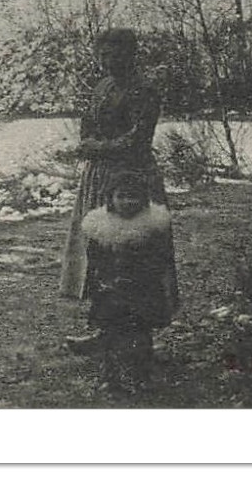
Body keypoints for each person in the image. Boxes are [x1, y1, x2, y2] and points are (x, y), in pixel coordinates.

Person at [59, 28, 178, 356]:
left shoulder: (145, 91)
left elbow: (138, 139)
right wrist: (91, 144)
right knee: (101, 252)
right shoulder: (101, 88)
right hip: (99, 179)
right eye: (104, 55)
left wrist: (95, 147)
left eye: (116, 54)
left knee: (137, 252)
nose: (108, 61)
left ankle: (140, 335)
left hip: (133, 179)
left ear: (131, 55)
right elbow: (88, 126)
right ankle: (104, 328)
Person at [79, 170, 176, 392]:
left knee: (140, 334)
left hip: (142, 291)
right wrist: (102, 281)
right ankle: (110, 376)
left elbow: (160, 261)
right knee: (109, 334)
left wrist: (143, 279)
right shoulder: (101, 226)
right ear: (111, 199)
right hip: (110, 291)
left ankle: (141, 374)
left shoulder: (151, 227)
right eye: (121, 196)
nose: (127, 202)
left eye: (134, 197)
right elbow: (95, 260)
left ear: (144, 200)